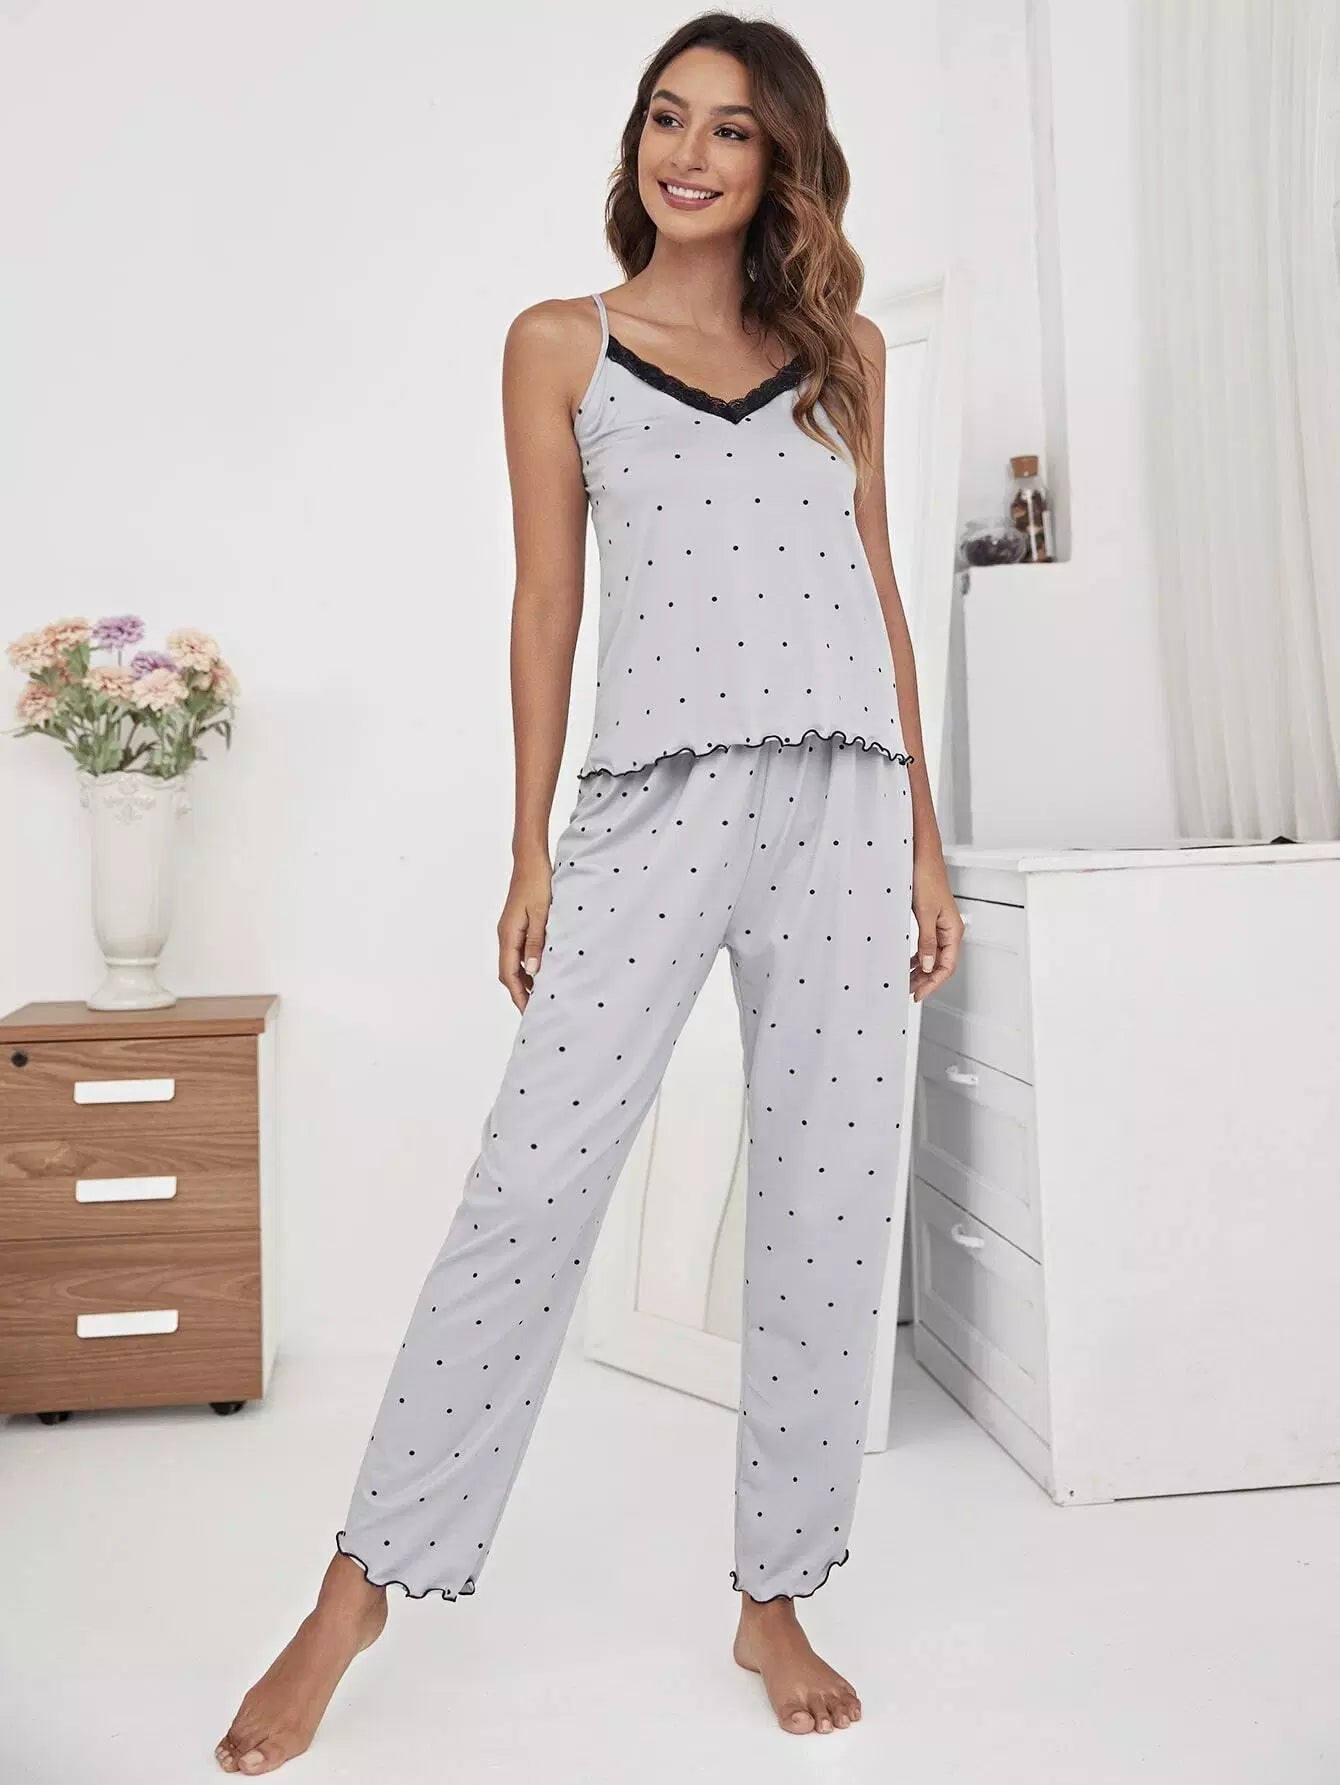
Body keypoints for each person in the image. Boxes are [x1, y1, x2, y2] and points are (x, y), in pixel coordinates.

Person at [215, 10, 962, 1772]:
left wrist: (925, 837)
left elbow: (876, 594)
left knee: (827, 1201)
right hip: (650, 796)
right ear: (637, 142)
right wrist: (531, 840)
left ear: (782, 161)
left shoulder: (844, 353)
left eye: (730, 130)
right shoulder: (563, 343)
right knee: (530, 1187)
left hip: (846, 800)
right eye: (666, 119)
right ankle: (356, 1588)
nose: (689, 153)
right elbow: (546, 603)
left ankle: (775, 1591)